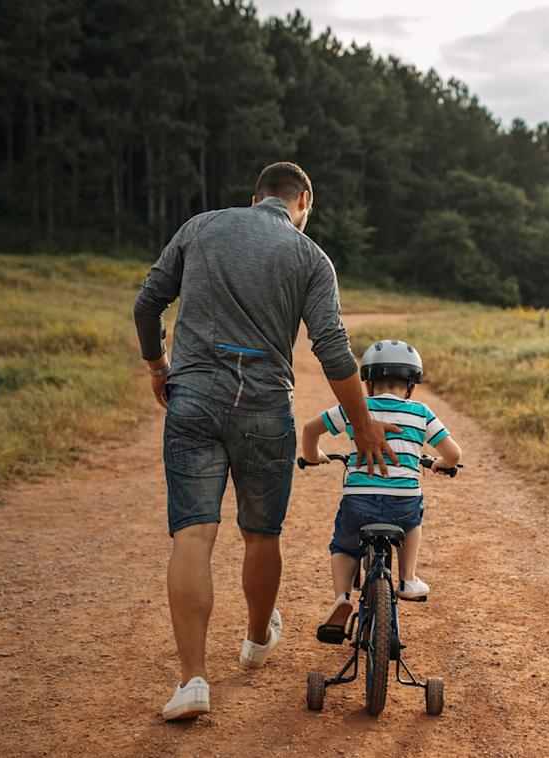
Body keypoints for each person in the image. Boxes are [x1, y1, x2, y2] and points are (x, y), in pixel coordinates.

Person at [133, 162, 400, 721]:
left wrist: (159, 366)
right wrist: (362, 424)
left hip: (193, 399)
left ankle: (192, 681)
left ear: (256, 198)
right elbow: (332, 347)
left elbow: (147, 303)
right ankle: (257, 639)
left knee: (193, 535)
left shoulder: (201, 226)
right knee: (261, 534)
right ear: (303, 202)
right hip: (264, 408)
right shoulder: (310, 257)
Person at [299, 339, 463, 634]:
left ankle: (341, 598)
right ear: (411, 386)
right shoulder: (421, 412)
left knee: (344, 545)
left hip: (359, 502)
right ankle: (407, 579)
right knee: (413, 521)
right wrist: (440, 463)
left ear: (368, 384)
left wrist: (313, 456)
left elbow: (310, 429)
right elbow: (454, 454)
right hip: (402, 504)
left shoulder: (354, 409)